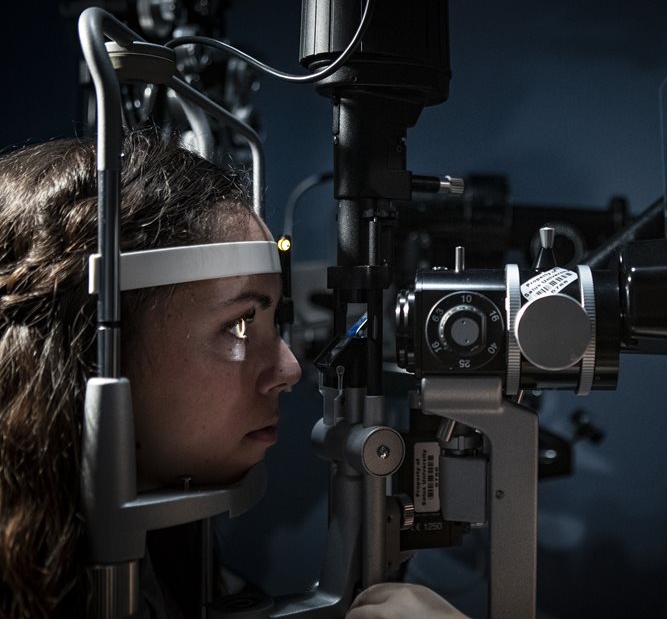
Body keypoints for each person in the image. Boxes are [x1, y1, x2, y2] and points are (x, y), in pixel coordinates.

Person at [0, 132, 463, 618]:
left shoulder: (165, 568)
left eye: (274, 323)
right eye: (240, 324)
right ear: (97, 347)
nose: (289, 370)